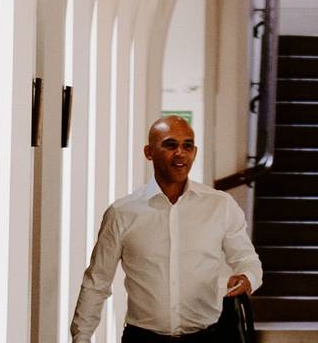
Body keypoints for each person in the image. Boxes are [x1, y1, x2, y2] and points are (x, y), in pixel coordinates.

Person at [71, 115, 262, 342]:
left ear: (194, 152)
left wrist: (247, 277)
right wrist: (81, 337)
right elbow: (97, 282)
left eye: (187, 146)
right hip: (142, 339)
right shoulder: (122, 213)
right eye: (170, 145)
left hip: (208, 337)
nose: (180, 153)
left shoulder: (220, 206)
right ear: (149, 152)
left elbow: (248, 260)